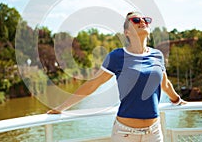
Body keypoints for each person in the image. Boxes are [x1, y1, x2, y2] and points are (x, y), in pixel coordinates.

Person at [47, 11, 186, 141]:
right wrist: (62, 107)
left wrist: (177, 100)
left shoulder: (157, 55)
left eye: (145, 20)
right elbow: (93, 84)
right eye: (136, 20)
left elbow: (165, 84)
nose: (142, 22)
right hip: (125, 134)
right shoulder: (117, 56)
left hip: (154, 132)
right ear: (126, 32)